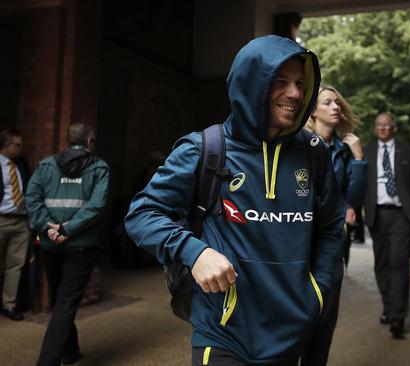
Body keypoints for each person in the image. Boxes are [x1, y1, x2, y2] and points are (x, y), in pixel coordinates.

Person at [125, 35, 345, 365]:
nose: (296, 94)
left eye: (300, 83)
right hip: (224, 332)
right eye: (280, 81)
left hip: (292, 329)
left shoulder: (314, 154)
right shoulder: (205, 149)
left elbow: (330, 228)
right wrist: (194, 252)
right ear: (252, 83)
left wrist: (318, 290)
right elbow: (142, 214)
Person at [25, 123, 110, 366]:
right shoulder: (99, 167)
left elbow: (32, 198)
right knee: (65, 301)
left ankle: (70, 351)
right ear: (90, 140)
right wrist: (67, 230)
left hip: (50, 244)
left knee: (60, 299)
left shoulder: (46, 165)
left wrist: (48, 228)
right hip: (81, 246)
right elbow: (96, 205)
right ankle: (48, 361)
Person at [302, 85, 367, 366]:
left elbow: (352, 199)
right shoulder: (297, 144)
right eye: (327, 102)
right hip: (299, 240)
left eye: (338, 102)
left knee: (325, 321)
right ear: (313, 110)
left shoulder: (342, 150)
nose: (336, 107)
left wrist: (359, 158)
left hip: (331, 243)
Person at [363, 111, 410, 339]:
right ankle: (388, 309)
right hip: (376, 214)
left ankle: (398, 316)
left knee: (398, 263)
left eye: (386, 125)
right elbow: (359, 181)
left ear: (394, 128)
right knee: (381, 264)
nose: (382, 129)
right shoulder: (367, 151)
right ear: (374, 128)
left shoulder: (408, 151)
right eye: (378, 125)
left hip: (402, 214)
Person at [0, 130, 30, 321]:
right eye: (17, 145)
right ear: (6, 145)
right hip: (1, 219)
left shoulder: (21, 163)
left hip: (21, 221)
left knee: (15, 265)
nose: (20, 149)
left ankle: (8, 305)